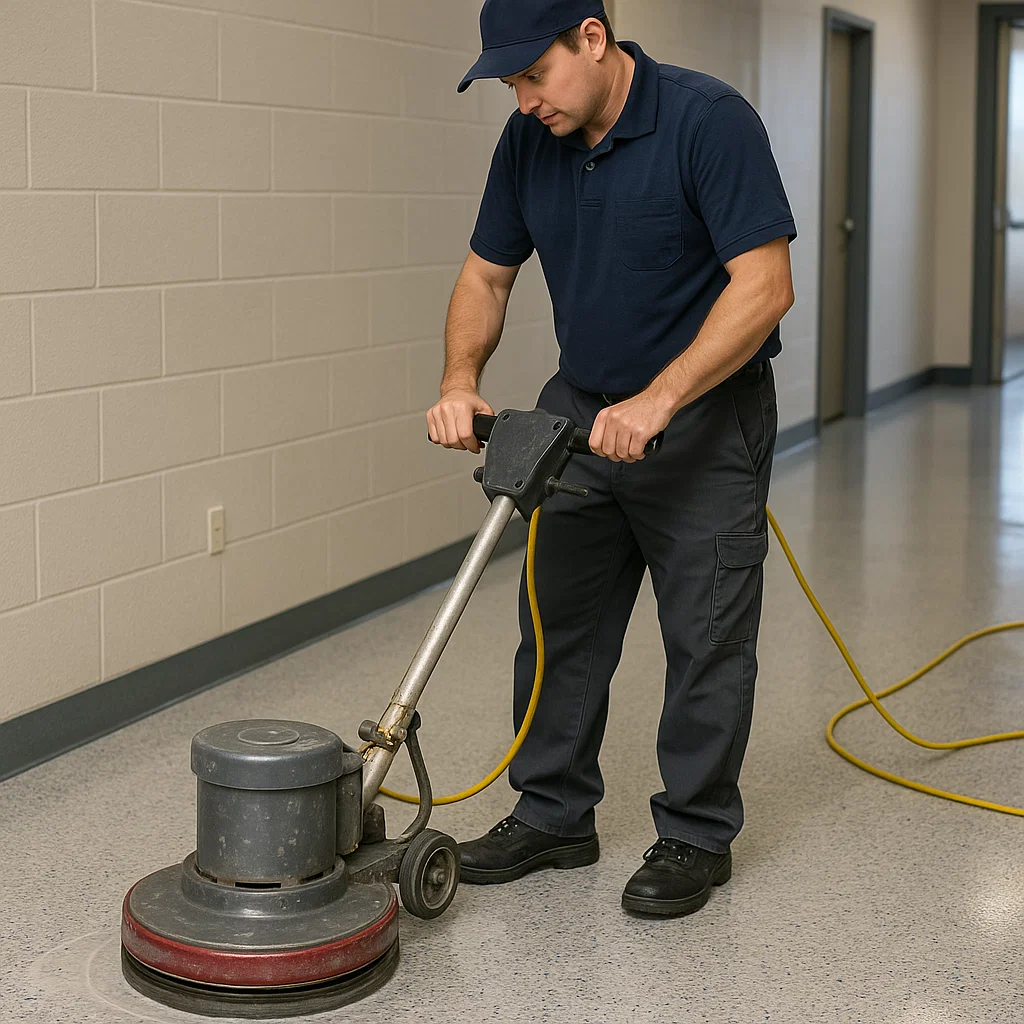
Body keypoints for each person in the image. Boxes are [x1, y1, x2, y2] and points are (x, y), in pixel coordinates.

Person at [426, 0, 796, 918]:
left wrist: (661, 399)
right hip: (580, 416)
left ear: (592, 38)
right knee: (558, 620)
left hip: (704, 421)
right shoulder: (527, 143)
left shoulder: (708, 121)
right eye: (509, 82)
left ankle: (697, 833)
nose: (523, 100)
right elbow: (487, 272)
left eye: (533, 75)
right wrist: (459, 377)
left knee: (706, 636)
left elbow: (766, 283)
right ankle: (553, 814)